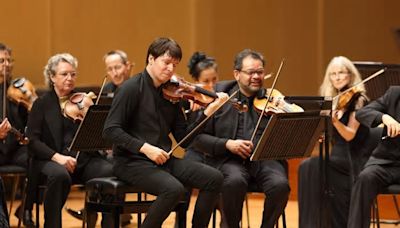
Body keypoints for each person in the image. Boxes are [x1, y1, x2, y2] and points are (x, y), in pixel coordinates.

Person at [103, 37, 227, 228]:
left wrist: (206, 113)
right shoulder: (130, 88)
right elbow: (110, 130)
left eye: (174, 65)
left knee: (214, 178)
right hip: (131, 162)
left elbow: (183, 140)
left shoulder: (172, 92)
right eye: (166, 62)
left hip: (162, 161)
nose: (170, 69)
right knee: (173, 189)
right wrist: (146, 148)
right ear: (151, 59)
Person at [191, 49, 290, 228]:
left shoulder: (273, 99)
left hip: (264, 161)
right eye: (251, 72)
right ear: (237, 74)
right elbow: (196, 139)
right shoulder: (219, 97)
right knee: (234, 181)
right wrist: (227, 144)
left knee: (280, 185)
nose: (256, 77)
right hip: (228, 159)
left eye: (260, 72)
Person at [26, 53, 114, 228]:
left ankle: (108, 224)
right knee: (59, 175)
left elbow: (98, 135)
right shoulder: (41, 104)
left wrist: (93, 120)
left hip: (83, 160)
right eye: (64, 74)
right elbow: (33, 141)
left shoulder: (83, 101)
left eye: (73, 74)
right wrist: (58, 157)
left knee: (110, 171)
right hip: (51, 160)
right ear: (52, 77)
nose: (70, 78)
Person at [297, 56, 370, 228]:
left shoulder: (358, 100)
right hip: (335, 157)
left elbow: (350, 135)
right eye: (333, 74)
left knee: (312, 165)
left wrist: (335, 122)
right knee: (306, 166)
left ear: (350, 75)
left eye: (341, 73)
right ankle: (313, 223)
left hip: (352, 159)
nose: (337, 77)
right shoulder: (333, 101)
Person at [65, 50, 133, 226]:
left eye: (117, 67)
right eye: (110, 69)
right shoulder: (106, 92)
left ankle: (98, 212)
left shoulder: (135, 88)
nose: (115, 73)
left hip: (130, 144)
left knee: (111, 162)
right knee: (98, 160)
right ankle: (98, 212)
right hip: (108, 146)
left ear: (128, 66)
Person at [347, 85, 400, 228]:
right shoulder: (394, 94)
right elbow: (362, 113)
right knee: (365, 178)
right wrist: (384, 117)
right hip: (385, 163)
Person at [0, 43, 34, 227]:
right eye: (1, 61)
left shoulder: (18, 90)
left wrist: (31, 108)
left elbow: (30, 120)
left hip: (14, 148)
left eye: (8, 60)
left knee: (37, 161)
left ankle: (26, 208)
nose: (6, 64)